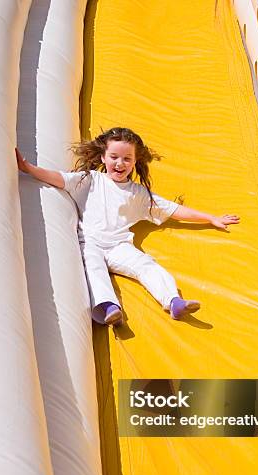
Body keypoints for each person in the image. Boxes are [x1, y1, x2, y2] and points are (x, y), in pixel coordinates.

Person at [15, 127, 239, 326]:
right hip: (90, 242)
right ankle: (108, 307)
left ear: (134, 162)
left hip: (118, 246)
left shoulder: (138, 194)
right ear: (103, 157)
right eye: (114, 157)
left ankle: (173, 301)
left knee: (146, 265)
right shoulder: (90, 180)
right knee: (93, 268)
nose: (119, 164)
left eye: (126, 159)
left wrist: (210, 218)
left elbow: (172, 209)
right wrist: (28, 168)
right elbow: (59, 179)